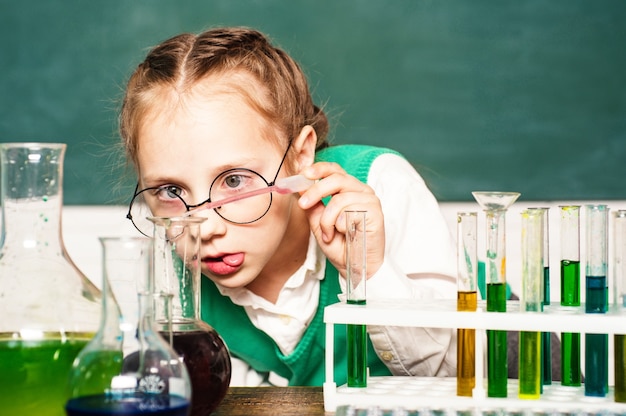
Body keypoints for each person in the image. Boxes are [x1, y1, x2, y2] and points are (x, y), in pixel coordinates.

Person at [120, 26, 457, 387]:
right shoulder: (172, 271)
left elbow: (457, 372)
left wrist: (370, 272)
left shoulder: (381, 189)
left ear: (300, 156)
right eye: (171, 191)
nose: (205, 227)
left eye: (235, 180)